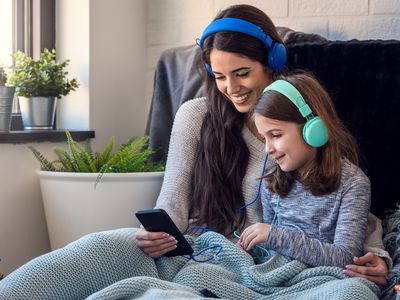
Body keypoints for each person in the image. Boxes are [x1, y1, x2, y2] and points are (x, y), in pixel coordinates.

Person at [0, 4, 389, 299]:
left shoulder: (300, 121)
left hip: (255, 261)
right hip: (195, 244)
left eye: (241, 74)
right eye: (219, 76)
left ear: (271, 64)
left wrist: (377, 256)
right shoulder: (195, 115)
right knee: (99, 246)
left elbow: (339, 196)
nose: (230, 88)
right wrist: (155, 232)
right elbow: (173, 201)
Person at [238, 71, 370, 268]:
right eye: (264, 138)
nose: (268, 148)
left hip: (323, 279)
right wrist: (252, 247)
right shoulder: (271, 182)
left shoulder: (353, 184)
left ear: (314, 128)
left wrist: (274, 236)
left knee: (356, 292)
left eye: (275, 135)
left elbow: (346, 258)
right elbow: (269, 251)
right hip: (276, 272)